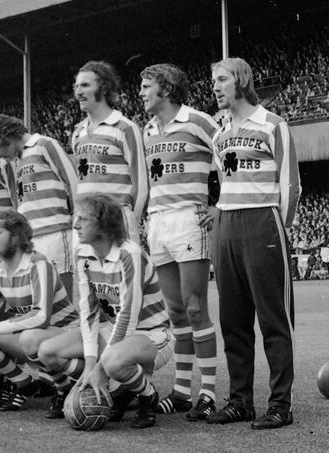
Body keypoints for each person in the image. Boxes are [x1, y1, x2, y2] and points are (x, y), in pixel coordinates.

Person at [208, 57, 301, 429]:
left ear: (242, 80)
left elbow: (290, 184)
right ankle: (240, 401)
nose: (214, 87)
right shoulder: (219, 135)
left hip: (263, 221)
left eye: (221, 79)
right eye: (213, 81)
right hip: (226, 222)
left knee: (273, 317)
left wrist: (279, 224)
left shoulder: (274, 125)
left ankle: (280, 404)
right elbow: (222, 181)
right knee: (232, 320)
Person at [37, 194, 173, 428]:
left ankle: (147, 395)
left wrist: (100, 367)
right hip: (114, 332)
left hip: (152, 334)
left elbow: (129, 314)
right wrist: (91, 365)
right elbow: (88, 313)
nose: (76, 225)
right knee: (48, 352)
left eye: (83, 219)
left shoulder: (130, 253)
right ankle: (114, 390)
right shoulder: (82, 255)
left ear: (104, 224)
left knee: (111, 362)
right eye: (75, 218)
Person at [137, 63, 221, 420]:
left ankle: (209, 392)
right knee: (175, 313)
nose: (140, 92)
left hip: (189, 219)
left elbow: (228, 158)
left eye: (146, 86)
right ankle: (183, 391)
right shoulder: (147, 130)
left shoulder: (199, 121)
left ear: (166, 89)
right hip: (158, 223)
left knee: (196, 306)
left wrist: (219, 206)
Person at [0, 210, 79, 411]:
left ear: (16, 237)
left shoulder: (38, 263)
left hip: (68, 334)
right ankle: (24, 383)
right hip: (33, 338)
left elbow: (41, 317)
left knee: (29, 338)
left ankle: (65, 387)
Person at [0, 114, 78, 296]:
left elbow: (71, 180)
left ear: (5, 137)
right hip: (33, 236)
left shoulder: (44, 144)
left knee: (64, 290)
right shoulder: (18, 160)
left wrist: (76, 216)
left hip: (55, 232)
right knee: (43, 294)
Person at [71, 60, 145, 243]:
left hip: (115, 219)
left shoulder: (125, 128)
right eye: (77, 86)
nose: (78, 91)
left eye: (85, 85)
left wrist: (132, 220)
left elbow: (141, 183)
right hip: (83, 221)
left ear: (104, 88)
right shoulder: (77, 132)